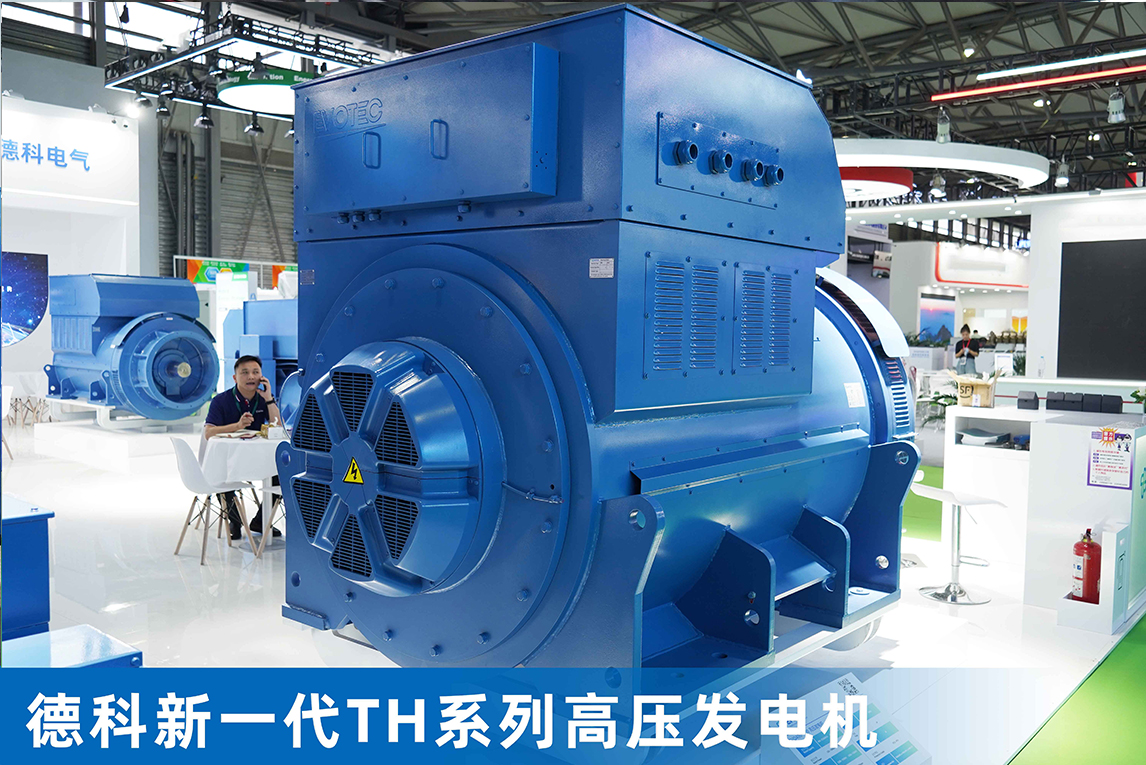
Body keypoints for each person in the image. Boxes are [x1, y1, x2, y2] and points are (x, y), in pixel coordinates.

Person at [204, 355, 281, 540]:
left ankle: (261, 521)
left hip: (256, 456)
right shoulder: (221, 400)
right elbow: (208, 433)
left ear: (262, 376)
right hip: (228, 458)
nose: (251, 377)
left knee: (280, 473)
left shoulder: (262, 399)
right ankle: (235, 520)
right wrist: (237, 426)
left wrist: (269, 399)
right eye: (244, 372)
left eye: (255, 372)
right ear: (235, 377)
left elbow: (277, 427)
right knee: (221, 472)